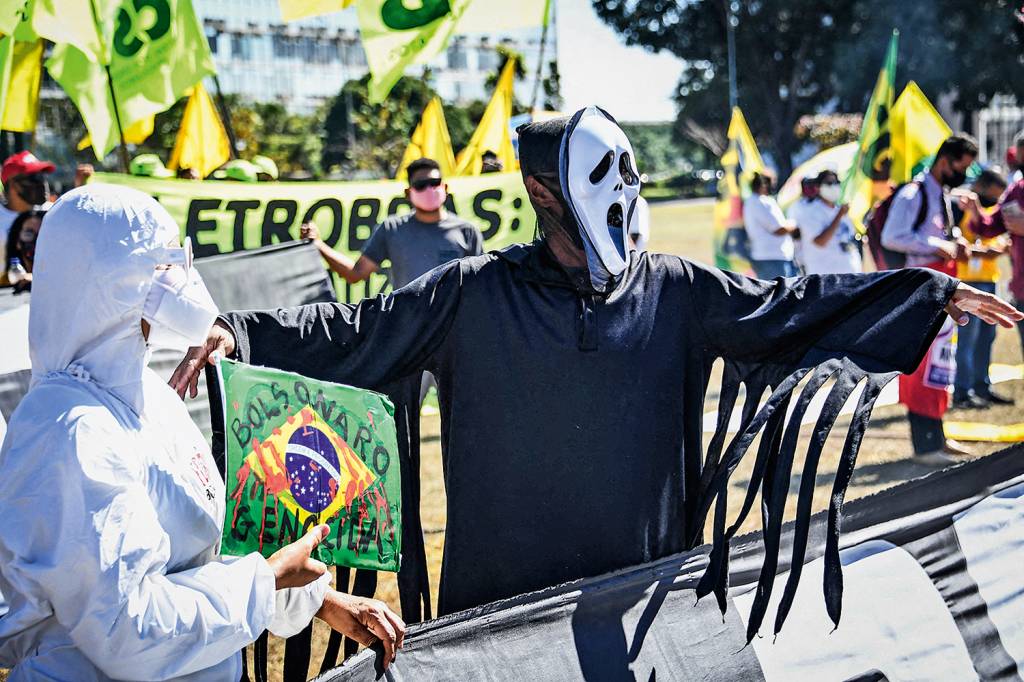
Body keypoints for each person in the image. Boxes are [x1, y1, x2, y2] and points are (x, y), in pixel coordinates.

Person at [171, 107, 1020, 630]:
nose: (628, 194)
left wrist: (922, 296)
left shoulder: (679, 290)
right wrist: (237, 332)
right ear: (548, 196)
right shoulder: (471, 294)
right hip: (496, 621)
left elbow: (783, 310)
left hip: (640, 603)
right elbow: (354, 329)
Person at [0, 185, 405, 679]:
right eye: (161, 263)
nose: (177, 277)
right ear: (108, 282)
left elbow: (203, 556)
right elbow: (129, 631)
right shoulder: (70, 431)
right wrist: (267, 580)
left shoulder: (146, 395)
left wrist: (318, 597)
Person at [881, 133, 979, 465]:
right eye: (960, 166)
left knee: (939, 364)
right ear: (943, 161)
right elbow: (892, 236)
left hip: (942, 291)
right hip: (920, 292)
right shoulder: (913, 194)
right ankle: (925, 448)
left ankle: (937, 436)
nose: (963, 173)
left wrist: (955, 241)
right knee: (921, 366)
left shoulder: (942, 195)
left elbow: (934, 233)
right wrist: (939, 246)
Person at [299, 157, 483, 291]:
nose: (429, 189)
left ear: (445, 187)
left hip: (455, 331)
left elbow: (481, 285)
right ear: (408, 193)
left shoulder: (467, 232)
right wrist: (318, 245)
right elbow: (355, 274)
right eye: (420, 185)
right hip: (409, 330)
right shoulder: (392, 229)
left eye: (434, 183)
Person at [952, 169, 1013, 408]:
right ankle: (962, 392)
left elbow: (996, 242)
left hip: (989, 280)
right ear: (983, 188)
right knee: (968, 339)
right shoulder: (962, 209)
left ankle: (982, 387)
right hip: (969, 283)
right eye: (995, 194)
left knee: (987, 338)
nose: (997, 200)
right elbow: (966, 241)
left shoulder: (991, 213)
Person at [0, 151, 54, 278]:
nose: (42, 183)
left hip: (48, 292)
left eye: (42, 177)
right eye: (34, 178)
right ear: (13, 184)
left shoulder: (54, 212)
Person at [798, 170, 862, 275]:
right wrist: (839, 216)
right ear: (817, 188)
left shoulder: (840, 210)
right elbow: (820, 242)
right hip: (826, 278)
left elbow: (851, 243)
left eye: (837, 182)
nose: (834, 186)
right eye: (829, 183)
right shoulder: (809, 212)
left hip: (851, 274)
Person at [742, 170, 799, 278]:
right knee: (781, 294)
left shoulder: (750, 201)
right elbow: (778, 229)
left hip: (764, 256)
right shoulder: (763, 202)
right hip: (773, 257)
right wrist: (794, 224)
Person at [4, 209, 44, 293]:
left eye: (42, 234)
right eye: (28, 234)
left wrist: (39, 280)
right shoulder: (6, 280)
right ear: (17, 241)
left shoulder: (64, 277)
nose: (36, 240)